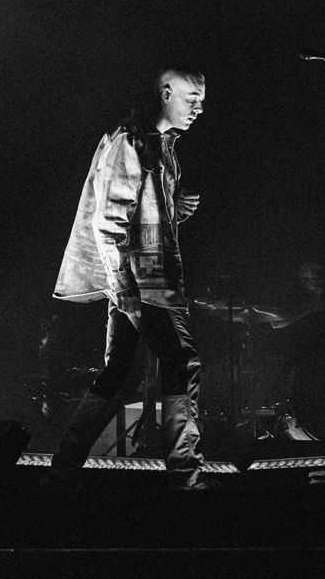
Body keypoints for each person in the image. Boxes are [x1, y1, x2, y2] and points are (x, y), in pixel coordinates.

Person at [46, 67, 213, 490]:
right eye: (192, 97)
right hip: (144, 280)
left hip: (146, 277)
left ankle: (62, 471)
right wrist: (124, 289)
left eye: (202, 100)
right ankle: (186, 478)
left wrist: (174, 207)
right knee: (180, 361)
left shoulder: (159, 144)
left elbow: (140, 213)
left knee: (118, 371)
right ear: (165, 92)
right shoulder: (131, 140)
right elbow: (108, 222)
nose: (198, 107)